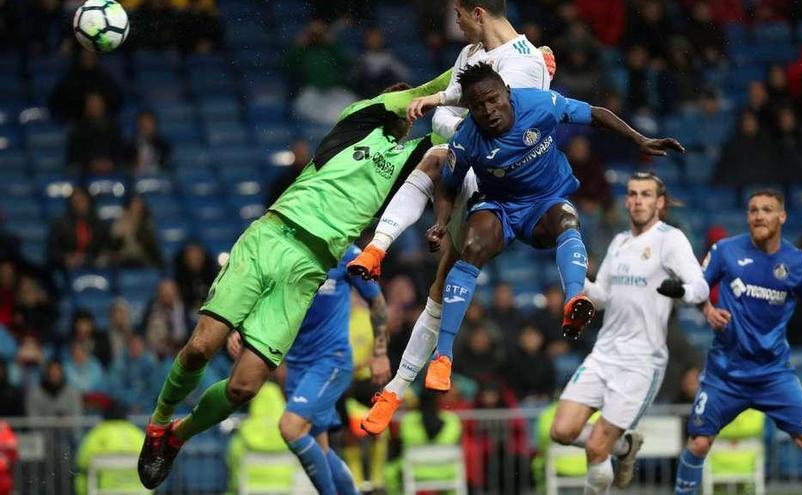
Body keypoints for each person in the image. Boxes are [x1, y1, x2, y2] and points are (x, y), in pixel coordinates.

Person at [136, 69, 453, 489]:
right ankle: (158, 425)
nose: (404, 107)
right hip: (272, 235)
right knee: (200, 347)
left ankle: (177, 435)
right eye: (400, 100)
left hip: (309, 268)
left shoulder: (406, 161)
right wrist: (469, 69)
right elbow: (428, 90)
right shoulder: (357, 120)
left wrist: (504, 73)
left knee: (244, 387)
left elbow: (457, 138)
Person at [417, 62, 684, 397]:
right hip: (499, 206)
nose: (487, 110)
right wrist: (440, 223)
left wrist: (639, 139)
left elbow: (595, 113)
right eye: (477, 105)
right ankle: (443, 357)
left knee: (567, 221)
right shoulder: (467, 139)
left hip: (545, 201)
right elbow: (447, 184)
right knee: (471, 247)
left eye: (492, 100)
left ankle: (575, 300)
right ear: (469, 109)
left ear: (507, 93)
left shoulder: (540, 104)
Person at [355, 0, 558, 435]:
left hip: (509, 186)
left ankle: (397, 384)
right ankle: (376, 255)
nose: (457, 25)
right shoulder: (469, 57)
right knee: (439, 285)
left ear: (479, 12)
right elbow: (459, 109)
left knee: (437, 148)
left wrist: (444, 115)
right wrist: (442, 108)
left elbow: (496, 129)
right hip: (472, 171)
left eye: (460, 17)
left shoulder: (525, 64)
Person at [674, 190, 802, 495]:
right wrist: (707, 310)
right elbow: (698, 288)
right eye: (753, 210)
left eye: (767, 209)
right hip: (725, 374)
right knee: (699, 442)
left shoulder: (798, 262)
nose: (758, 215)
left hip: (773, 374)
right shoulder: (725, 251)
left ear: (781, 217)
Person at [550, 172, 709, 493]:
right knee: (561, 431)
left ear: (660, 202)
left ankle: (607, 461)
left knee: (596, 448)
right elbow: (603, 298)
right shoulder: (620, 242)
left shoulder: (670, 240)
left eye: (646, 195)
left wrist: (681, 292)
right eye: (633, 194)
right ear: (626, 201)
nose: (638, 200)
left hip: (641, 362)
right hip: (605, 354)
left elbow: (701, 286)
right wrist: (577, 279)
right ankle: (625, 447)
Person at [226, 245, 388, 495]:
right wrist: (241, 327)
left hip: (331, 360)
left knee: (290, 428)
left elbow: (376, 301)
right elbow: (265, 295)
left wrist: (380, 353)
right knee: (320, 449)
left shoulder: (347, 254)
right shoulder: (284, 252)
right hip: (296, 368)